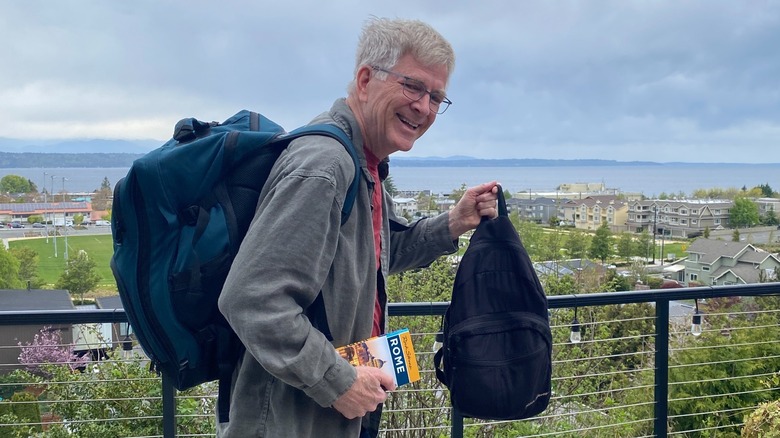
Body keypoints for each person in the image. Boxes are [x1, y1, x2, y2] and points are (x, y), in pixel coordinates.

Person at [217, 17, 499, 438]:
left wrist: (454, 222)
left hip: (333, 410)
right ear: (366, 79)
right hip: (290, 419)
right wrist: (339, 381)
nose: (424, 106)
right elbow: (251, 301)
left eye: (437, 96)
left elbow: (376, 256)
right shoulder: (324, 168)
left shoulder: (362, 163)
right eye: (413, 86)